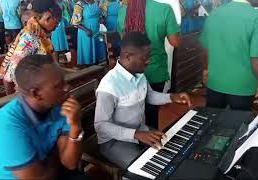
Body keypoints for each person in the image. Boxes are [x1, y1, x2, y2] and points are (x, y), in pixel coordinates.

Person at [94, 32, 191, 170]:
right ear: (128, 56)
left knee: (171, 152)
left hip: (138, 130)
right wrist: (137, 134)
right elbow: (101, 125)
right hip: (113, 141)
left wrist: (171, 97)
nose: (148, 61)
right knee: (148, 169)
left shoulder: (139, 74)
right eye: (144, 58)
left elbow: (149, 96)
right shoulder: (109, 86)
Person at [0, 54, 86, 179]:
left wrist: (75, 126)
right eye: (58, 85)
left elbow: (69, 163)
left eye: (64, 81)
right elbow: (40, 177)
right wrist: (55, 156)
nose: (67, 87)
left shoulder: (60, 105)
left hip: (52, 171)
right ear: (36, 94)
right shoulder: (7, 126)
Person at [118, 0, 181, 129]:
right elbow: (176, 42)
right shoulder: (164, 9)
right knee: (152, 114)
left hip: (130, 71)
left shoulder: (124, 10)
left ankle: (136, 141)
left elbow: (125, 42)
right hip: (155, 70)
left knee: (130, 115)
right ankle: (150, 145)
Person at [201, 0, 258, 111]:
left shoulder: (214, 14)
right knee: (238, 124)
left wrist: (205, 69)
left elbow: (205, 49)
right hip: (243, 86)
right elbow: (255, 59)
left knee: (212, 122)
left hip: (214, 82)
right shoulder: (255, 17)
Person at [0, 0, 61, 95]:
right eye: (57, 22)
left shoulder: (40, 35)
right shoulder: (30, 37)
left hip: (37, 86)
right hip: (26, 92)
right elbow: (10, 74)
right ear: (48, 18)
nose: (57, 26)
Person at [71, 0, 106, 65]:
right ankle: (89, 70)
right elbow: (75, 22)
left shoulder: (97, 2)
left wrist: (102, 20)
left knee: (98, 54)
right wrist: (86, 30)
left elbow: (102, 14)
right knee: (88, 54)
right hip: (86, 32)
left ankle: (97, 69)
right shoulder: (79, 4)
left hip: (97, 31)